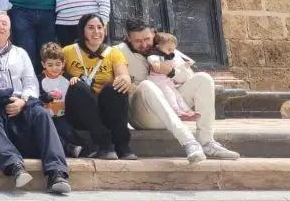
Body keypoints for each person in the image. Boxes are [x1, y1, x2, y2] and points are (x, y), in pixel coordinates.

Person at [0, 10, 71, 195]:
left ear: (10, 30)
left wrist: (23, 101)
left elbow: (31, 83)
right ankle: (15, 166)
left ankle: (57, 173)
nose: (0, 27)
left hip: (20, 102)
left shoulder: (20, 53)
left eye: (4, 24)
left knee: (42, 113)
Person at [121, 18, 241, 163]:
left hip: (173, 107)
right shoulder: (119, 52)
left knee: (204, 78)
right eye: (138, 41)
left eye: (147, 39)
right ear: (128, 38)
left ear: (153, 33)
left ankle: (207, 142)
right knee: (147, 85)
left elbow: (188, 76)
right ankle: (189, 141)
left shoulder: (165, 47)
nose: (144, 44)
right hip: (145, 115)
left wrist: (170, 71)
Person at [62, 13, 136, 160]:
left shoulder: (114, 53)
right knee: (78, 86)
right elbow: (53, 75)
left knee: (117, 86)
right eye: (91, 28)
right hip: (79, 111)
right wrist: (69, 78)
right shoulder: (68, 51)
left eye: (99, 27)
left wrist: (125, 79)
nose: (96, 32)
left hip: (105, 110)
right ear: (82, 30)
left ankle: (122, 145)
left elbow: (124, 75)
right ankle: (104, 142)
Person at [38, 41, 86, 158]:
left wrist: (76, 80)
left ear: (63, 63)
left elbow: (78, 90)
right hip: (47, 116)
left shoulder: (67, 78)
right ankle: (68, 147)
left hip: (63, 115)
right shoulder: (39, 79)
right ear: (43, 64)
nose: (54, 68)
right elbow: (37, 97)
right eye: (50, 65)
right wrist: (48, 96)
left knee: (68, 131)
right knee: (51, 132)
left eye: (58, 64)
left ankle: (84, 148)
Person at [146, 32, 200, 120]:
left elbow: (176, 66)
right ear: (158, 47)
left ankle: (187, 111)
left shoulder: (169, 56)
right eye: (169, 49)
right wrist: (155, 64)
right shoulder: (156, 56)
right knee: (170, 94)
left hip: (166, 81)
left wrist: (184, 65)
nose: (171, 52)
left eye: (173, 49)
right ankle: (176, 111)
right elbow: (152, 59)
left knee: (177, 95)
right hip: (157, 81)